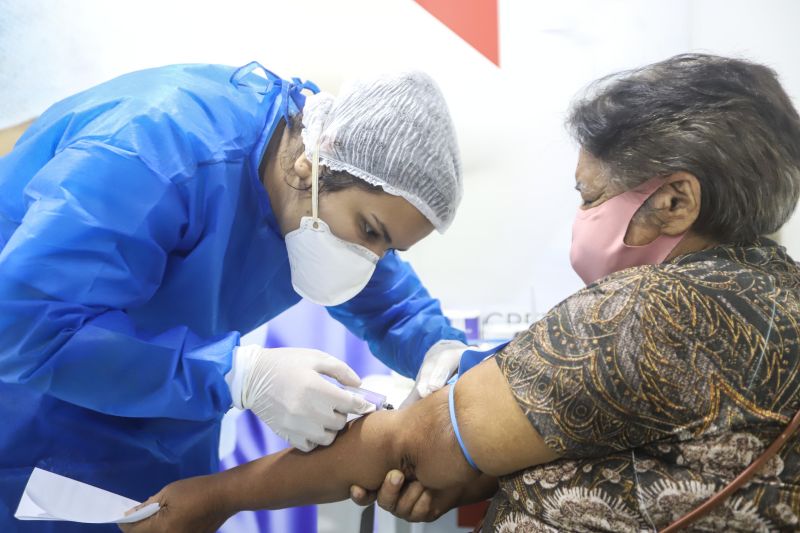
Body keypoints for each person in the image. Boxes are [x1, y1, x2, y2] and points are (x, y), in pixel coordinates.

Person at [121, 54, 800, 533]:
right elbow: (25, 326)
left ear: (678, 199)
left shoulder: (651, 311)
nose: (581, 217)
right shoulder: (776, 291)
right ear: (310, 165)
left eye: (592, 196)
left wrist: (216, 497)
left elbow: (407, 443)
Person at [0, 63, 471, 532]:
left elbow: (393, 306)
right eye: (369, 231)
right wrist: (236, 375)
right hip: (30, 419)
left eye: (387, 246)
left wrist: (445, 351)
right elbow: (24, 325)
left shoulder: (318, 196)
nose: (370, 261)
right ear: (314, 163)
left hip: (162, 429)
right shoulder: (155, 147)